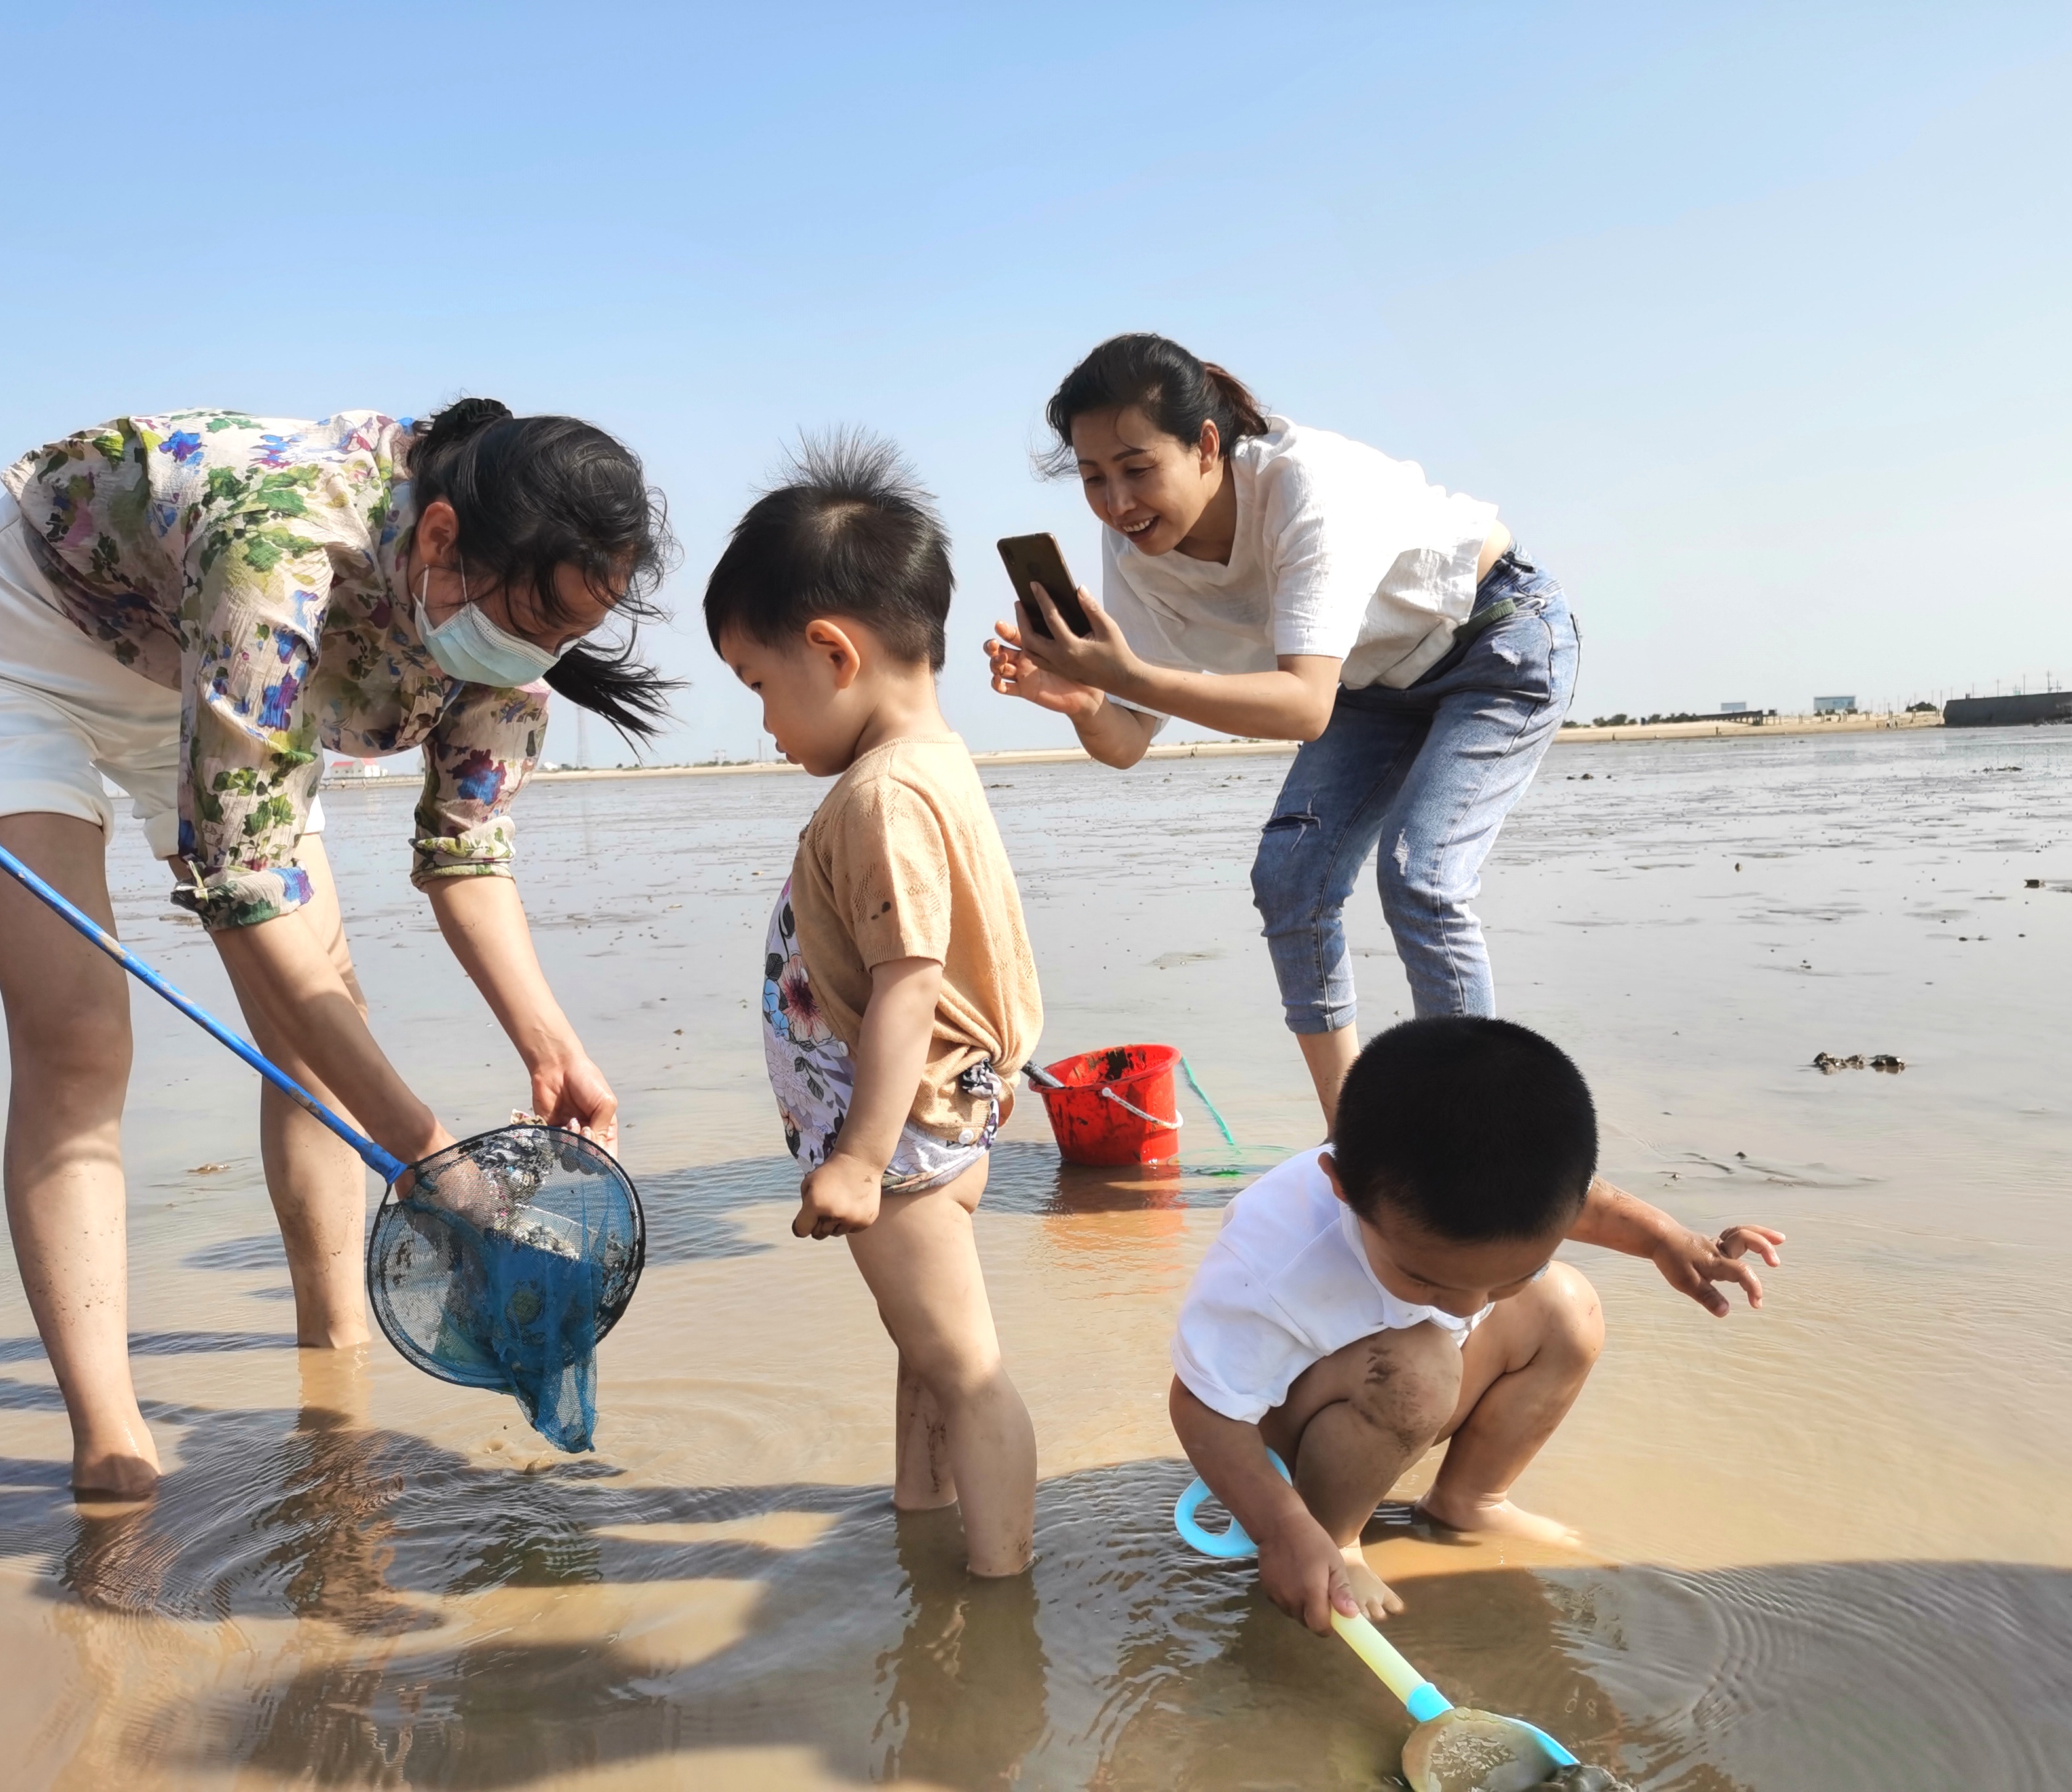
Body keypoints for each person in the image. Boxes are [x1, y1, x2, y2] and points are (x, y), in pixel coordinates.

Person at [0, 400, 676, 1496]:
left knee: (319, 1039)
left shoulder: (506, 638)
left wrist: (551, 1043)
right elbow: (245, 891)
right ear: (442, 540)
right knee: (78, 1038)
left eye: (566, 633)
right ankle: (110, 1442)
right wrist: (428, 1152)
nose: (539, 655)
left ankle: (335, 1363)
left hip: (225, 683)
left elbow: (466, 858)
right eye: (533, 621)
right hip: (30, 650)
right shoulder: (278, 552)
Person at [987, 333, 1578, 1128]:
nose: (1118, 502)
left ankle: (1476, 1130)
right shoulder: (1136, 550)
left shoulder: (1304, 485)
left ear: (1204, 446)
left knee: (1422, 877)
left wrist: (1123, 675)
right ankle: (1356, 1135)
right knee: (1290, 877)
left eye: (1136, 468)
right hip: (1369, 682)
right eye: (1093, 478)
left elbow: (1304, 707)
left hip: (1495, 639)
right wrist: (1084, 698)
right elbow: (1129, 742)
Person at [705, 435, 1043, 1577]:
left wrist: (855, 1158)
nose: (761, 720)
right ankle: (919, 1515)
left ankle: (999, 1602)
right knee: (929, 1354)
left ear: (831, 652)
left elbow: (909, 980)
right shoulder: (931, 762)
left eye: (758, 686)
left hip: (900, 1140)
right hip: (937, 1123)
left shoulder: (884, 794)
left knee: (968, 1371)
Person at [1168, 1016, 1786, 1631]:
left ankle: (1471, 1499)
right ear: (1342, 1190)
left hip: (1400, 1394)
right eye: (1424, 1280)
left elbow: (1595, 1206)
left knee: (1567, 1307)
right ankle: (1334, 1539)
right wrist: (1280, 1530)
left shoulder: (1511, 1186)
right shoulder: (1275, 1262)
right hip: (1294, 1428)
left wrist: (1667, 1240)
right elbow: (1203, 1407)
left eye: (1505, 1278)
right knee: (1424, 1363)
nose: (1467, 1307)